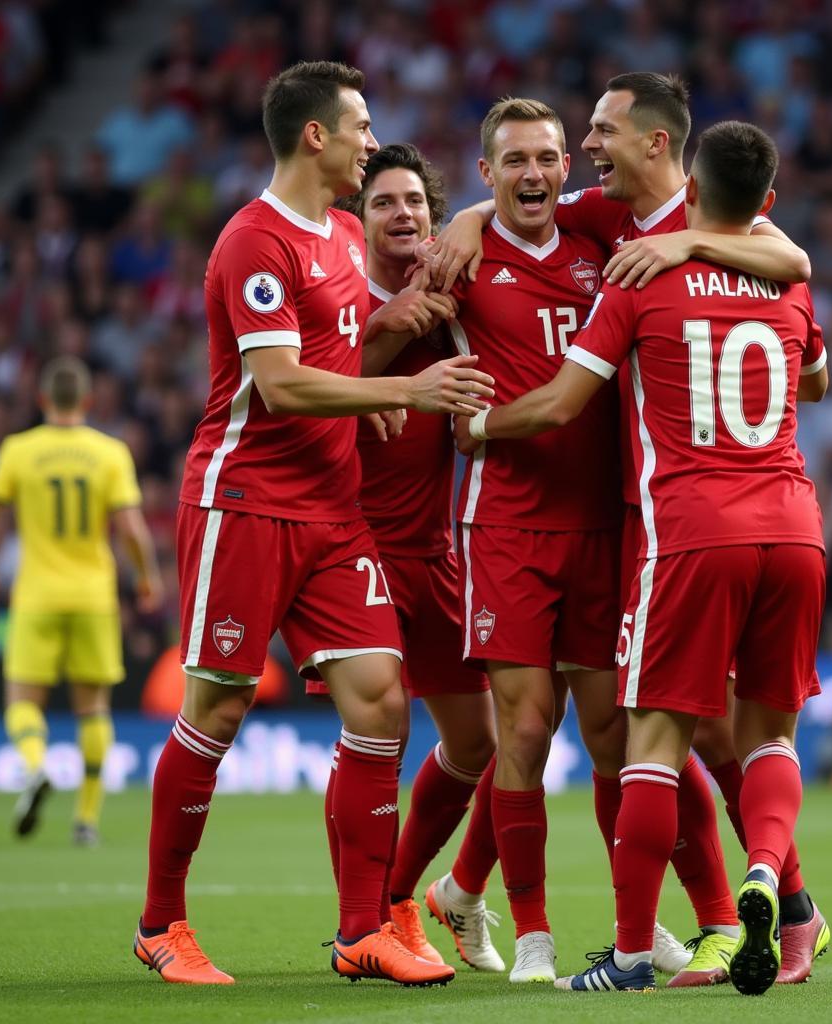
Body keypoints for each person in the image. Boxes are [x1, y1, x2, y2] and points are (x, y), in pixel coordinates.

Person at [431, 72, 827, 988]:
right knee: (675, 733)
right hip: (736, 516)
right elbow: (811, 352)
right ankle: (757, 902)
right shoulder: (601, 219)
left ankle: (733, 921)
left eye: (598, 132)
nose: (582, 152)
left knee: (675, 735)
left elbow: (799, 275)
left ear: (658, 144)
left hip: (673, 522)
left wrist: (479, 427)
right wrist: (465, 218)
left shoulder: (691, 238)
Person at [132, 60, 494, 988]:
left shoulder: (340, 232)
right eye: (361, 126)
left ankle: (361, 929)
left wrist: (371, 376)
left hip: (335, 516)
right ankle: (161, 922)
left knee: (381, 698)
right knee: (216, 705)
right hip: (244, 501)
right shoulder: (255, 243)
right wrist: (398, 389)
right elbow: (282, 384)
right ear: (315, 137)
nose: (373, 141)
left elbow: (339, 349)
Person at [420, 96, 663, 985]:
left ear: (568, 166)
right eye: (513, 161)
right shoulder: (458, 264)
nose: (533, 174)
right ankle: (533, 936)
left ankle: (633, 930)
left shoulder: (601, 235)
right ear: (486, 171)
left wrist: (469, 213)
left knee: (610, 735)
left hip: (604, 523)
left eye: (548, 158)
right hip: (508, 525)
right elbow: (391, 342)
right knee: (524, 725)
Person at [318, 142, 504, 972]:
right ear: (358, 225)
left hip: (436, 551)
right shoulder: (339, 303)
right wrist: (390, 336)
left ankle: (412, 897)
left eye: (417, 205)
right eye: (384, 203)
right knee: (379, 730)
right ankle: (364, 925)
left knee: (484, 744)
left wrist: (469, 216)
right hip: (352, 550)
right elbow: (305, 401)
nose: (404, 216)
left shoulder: (454, 300)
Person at [0, 356, 163, 846]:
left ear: (42, 400)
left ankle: (36, 767)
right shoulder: (108, 453)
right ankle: (86, 820)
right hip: (93, 596)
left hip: (36, 593)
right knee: (93, 708)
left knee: (21, 700)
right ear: (86, 401)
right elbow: (132, 530)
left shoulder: (19, 450)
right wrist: (147, 579)